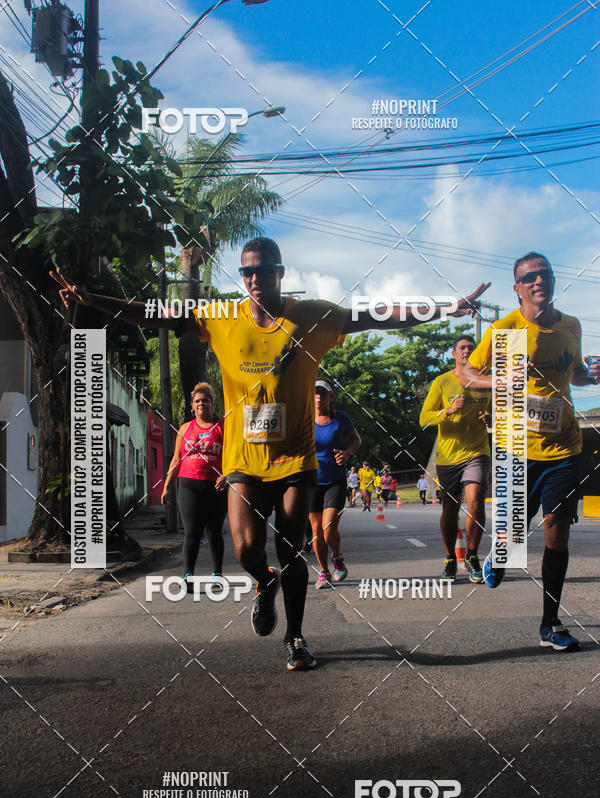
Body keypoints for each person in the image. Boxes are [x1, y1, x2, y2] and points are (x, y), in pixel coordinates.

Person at [51, 242, 487, 670]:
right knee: (245, 549)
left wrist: (446, 307)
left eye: (264, 270)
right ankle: (264, 581)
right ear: (241, 278)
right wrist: (95, 301)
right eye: (247, 272)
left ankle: (295, 638)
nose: (255, 278)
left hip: (296, 462)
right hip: (244, 463)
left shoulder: (312, 316)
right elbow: (158, 313)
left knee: (292, 548)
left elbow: (378, 315)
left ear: (281, 273)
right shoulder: (222, 317)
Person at [460, 251, 599, 649]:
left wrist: (591, 375)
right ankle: (501, 552)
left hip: (564, 446)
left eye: (546, 274)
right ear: (518, 287)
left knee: (557, 532)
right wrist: (498, 384)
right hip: (516, 447)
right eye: (530, 277)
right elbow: (468, 374)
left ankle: (550, 624)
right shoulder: (505, 329)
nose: (540, 280)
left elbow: (574, 374)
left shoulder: (571, 326)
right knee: (515, 535)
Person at [419, 335, 492, 582]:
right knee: (449, 509)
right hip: (448, 456)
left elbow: (500, 413)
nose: (467, 351)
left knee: (476, 500)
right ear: (454, 354)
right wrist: (447, 410)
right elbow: (424, 419)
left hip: (477, 452)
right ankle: (451, 557)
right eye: (462, 347)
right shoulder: (442, 382)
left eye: (472, 348)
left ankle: (471, 555)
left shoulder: (487, 381)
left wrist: (491, 421)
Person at [161, 382, 227, 586]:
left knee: (214, 530)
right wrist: (166, 486)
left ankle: (217, 573)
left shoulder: (223, 427)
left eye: (205, 400)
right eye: (197, 401)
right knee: (192, 531)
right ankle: (188, 575)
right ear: (192, 405)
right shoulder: (184, 429)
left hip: (215, 487)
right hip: (189, 485)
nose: (201, 404)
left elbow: (233, 456)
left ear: (211, 403)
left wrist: (226, 475)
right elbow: (176, 460)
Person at [310, 374, 361, 588]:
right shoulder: (303, 418)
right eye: (315, 393)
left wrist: (347, 453)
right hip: (311, 481)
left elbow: (357, 440)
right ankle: (323, 571)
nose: (318, 397)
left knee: (328, 528)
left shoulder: (340, 418)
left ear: (331, 396)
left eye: (323, 393)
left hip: (335, 480)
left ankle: (337, 558)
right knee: (316, 532)